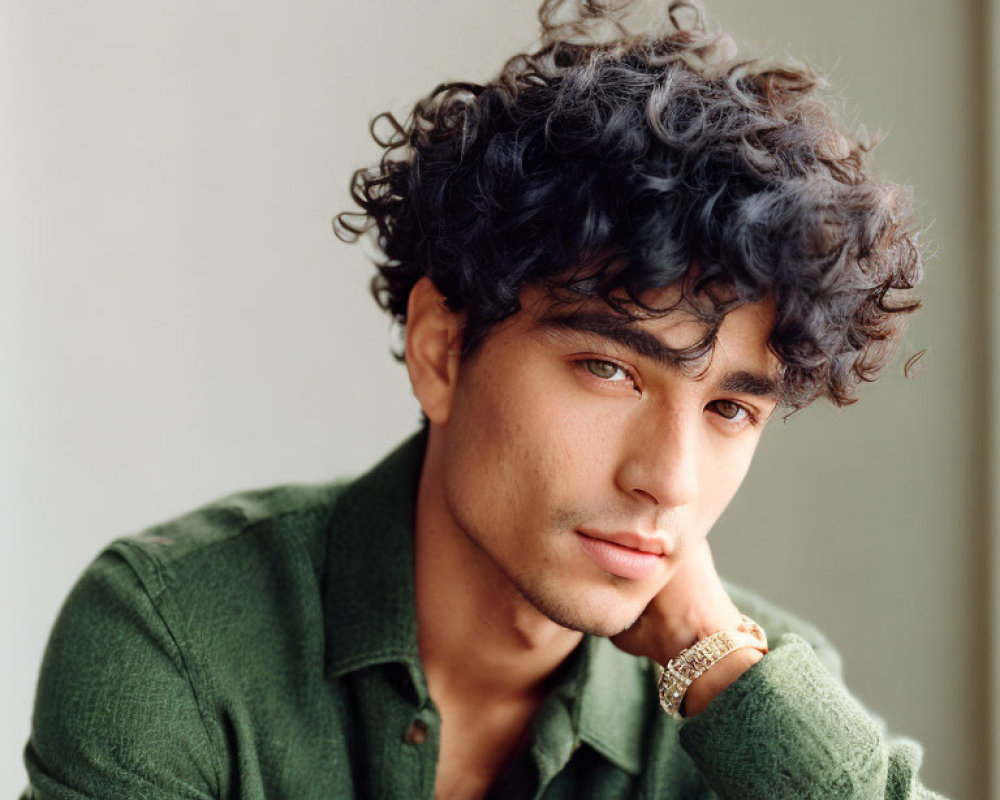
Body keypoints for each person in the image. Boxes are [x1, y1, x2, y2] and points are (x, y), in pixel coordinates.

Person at [21, 1, 944, 798]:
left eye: (729, 410)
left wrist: (714, 658)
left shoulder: (755, 691)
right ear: (442, 349)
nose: (668, 480)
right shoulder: (175, 638)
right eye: (609, 370)